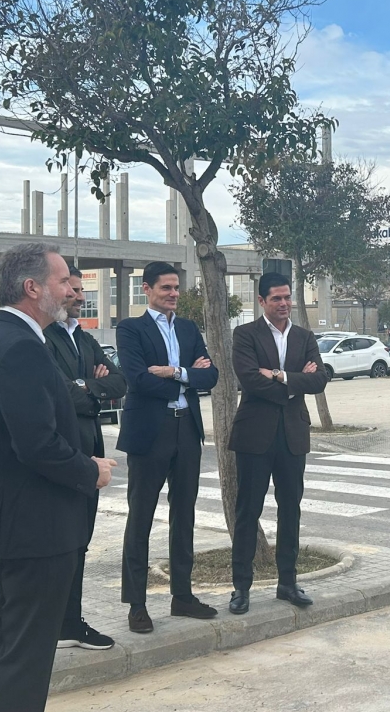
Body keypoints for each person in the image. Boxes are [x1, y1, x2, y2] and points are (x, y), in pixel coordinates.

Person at [0, 242, 115, 712]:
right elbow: (37, 445)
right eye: (61, 279)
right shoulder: (21, 348)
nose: (70, 288)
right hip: (37, 525)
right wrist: (88, 470)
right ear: (33, 288)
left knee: (6, 644)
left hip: (19, 523)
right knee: (24, 659)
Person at [116, 261, 219, 633]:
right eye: (165, 288)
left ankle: (183, 597)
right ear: (146, 289)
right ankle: (137, 604)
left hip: (186, 432)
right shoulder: (130, 329)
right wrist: (190, 378)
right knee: (140, 517)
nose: (173, 294)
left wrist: (175, 372)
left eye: (176, 288)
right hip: (149, 434)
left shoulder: (189, 329)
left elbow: (213, 375)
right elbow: (138, 380)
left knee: (184, 515)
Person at [228, 272, 328, 614]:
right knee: (248, 512)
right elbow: (251, 381)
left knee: (291, 510)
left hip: (293, 436)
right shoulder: (245, 335)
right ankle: (241, 587)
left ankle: (288, 582)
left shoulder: (303, 336)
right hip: (255, 436)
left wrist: (282, 375)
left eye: (287, 297)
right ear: (261, 302)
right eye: (276, 299)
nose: (284, 304)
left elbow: (321, 379)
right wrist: (298, 379)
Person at [43, 266, 128, 651]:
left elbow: (120, 382)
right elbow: (58, 391)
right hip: (63, 450)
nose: (79, 296)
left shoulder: (86, 338)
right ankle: (55, 622)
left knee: (81, 540)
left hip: (91, 450)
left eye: (81, 290)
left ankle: (70, 622)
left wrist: (84, 385)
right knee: (59, 540)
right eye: (72, 288)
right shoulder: (42, 337)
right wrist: (91, 387)